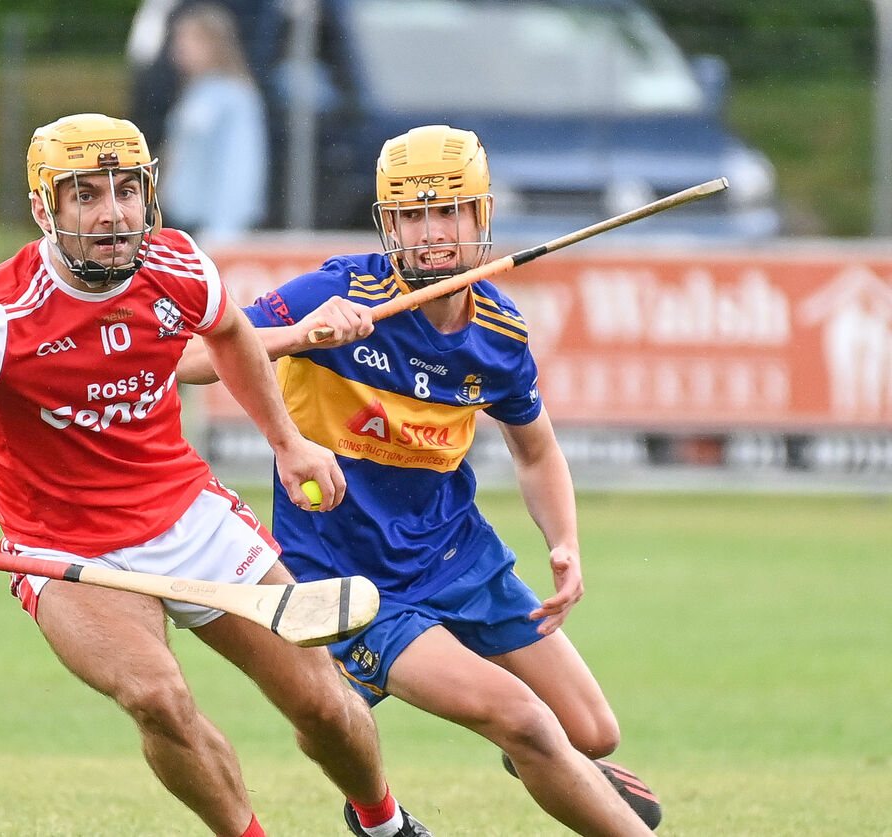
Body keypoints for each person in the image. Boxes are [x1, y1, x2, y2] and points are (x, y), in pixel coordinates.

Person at [0, 112, 431, 837]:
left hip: (188, 516)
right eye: (87, 195)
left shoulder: (177, 264)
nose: (113, 213)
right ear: (46, 208)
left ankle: (384, 823)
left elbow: (227, 338)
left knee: (321, 701)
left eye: (126, 190)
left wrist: (287, 442)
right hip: (67, 552)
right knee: (157, 695)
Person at [177, 125, 663, 835]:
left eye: (448, 211)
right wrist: (302, 335)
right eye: (412, 215)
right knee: (523, 720)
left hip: (457, 554)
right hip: (350, 574)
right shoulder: (342, 288)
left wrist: (564, 542)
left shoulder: (498, 330)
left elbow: (535, 452)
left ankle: (537, 752)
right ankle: (405, 727)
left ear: (481, 217)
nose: (431, 232)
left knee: (590, 732)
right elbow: (194, 355)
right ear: (389, 223)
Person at [158, 2, 269, 241]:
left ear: (215, 44)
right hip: (181, 222)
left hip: (212, 229)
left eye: (191, 39)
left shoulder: (235, 96)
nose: (180, 48)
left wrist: (223, 230)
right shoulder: (194, 92)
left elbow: (239, 165)